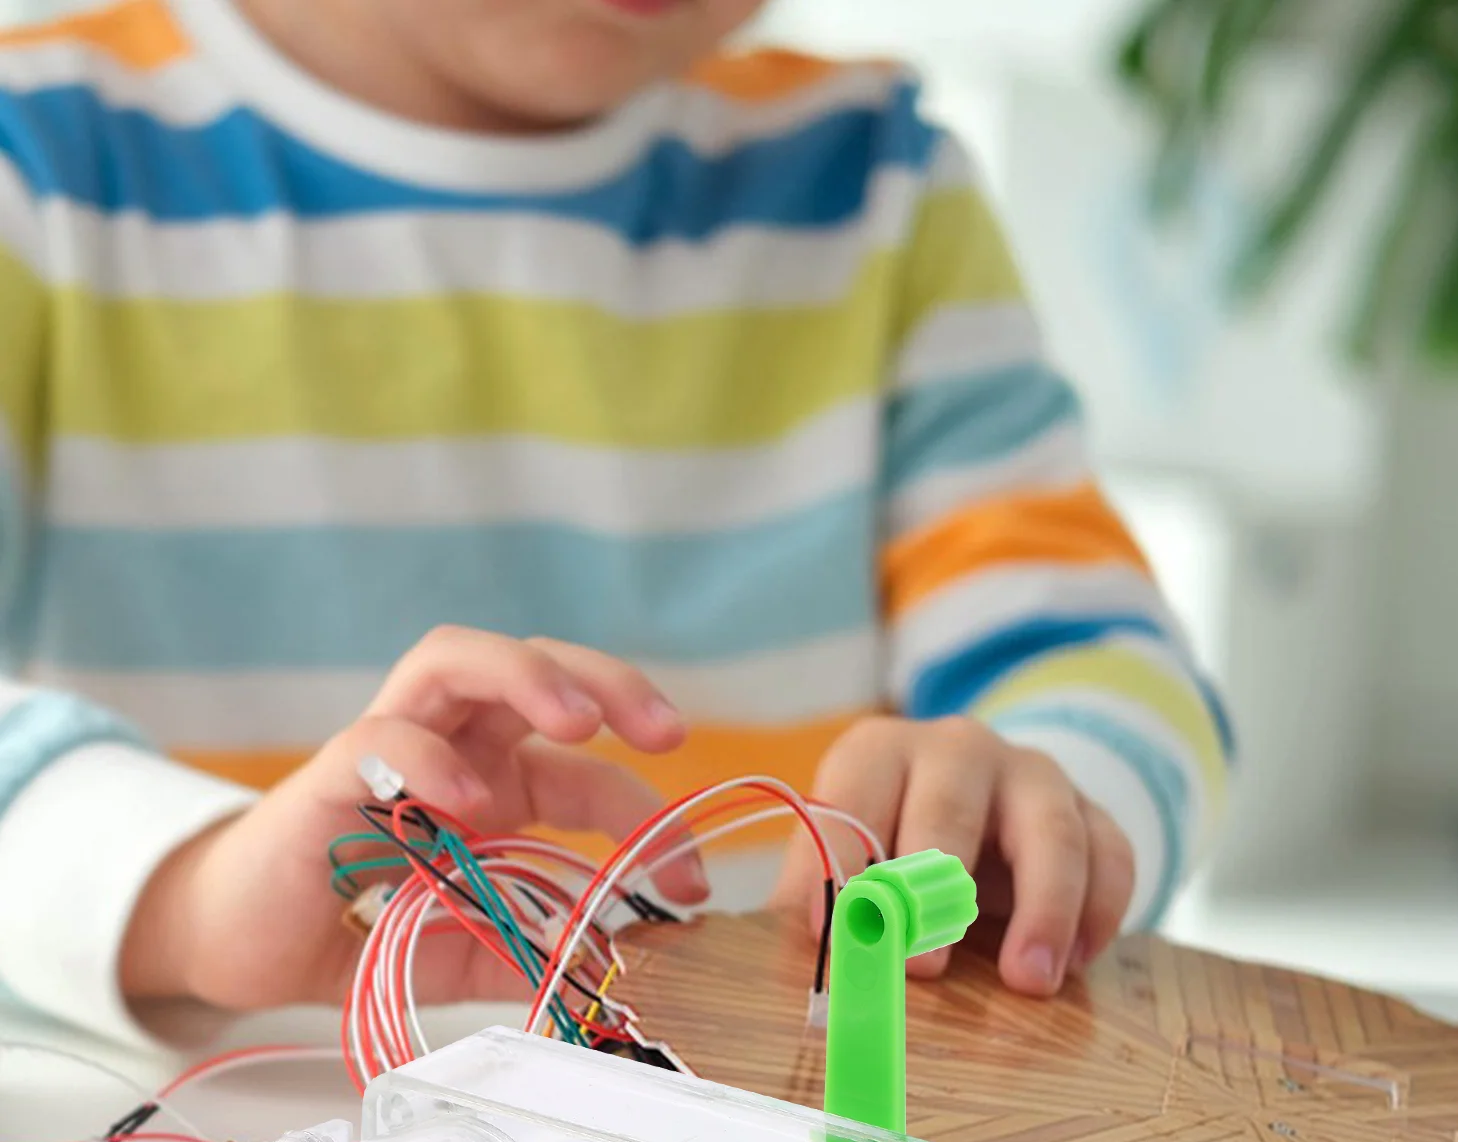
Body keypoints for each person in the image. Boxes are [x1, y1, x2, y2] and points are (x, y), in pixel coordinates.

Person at [0, 0, 1232, 1047]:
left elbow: (1103, 656)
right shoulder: (37, 158)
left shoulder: (873, 188)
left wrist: (1051, 799)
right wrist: (185, 892)